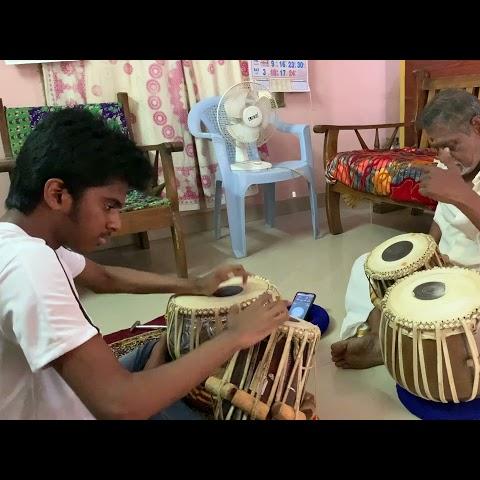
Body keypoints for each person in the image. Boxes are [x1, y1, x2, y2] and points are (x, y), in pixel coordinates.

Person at [0, 108, 289, 419]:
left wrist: (195, 284)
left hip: (71, 393)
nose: (115, 223)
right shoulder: (29, 265)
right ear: (58, 194)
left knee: (163, 351)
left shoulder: (24, 242)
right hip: (89, 407)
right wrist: (234, 336)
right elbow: (120, 405)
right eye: (108, 206)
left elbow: (105, 277)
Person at [331, 89, 480, 389]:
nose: (444, 157)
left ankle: (389, 344)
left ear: (479, 127)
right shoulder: (449, 162)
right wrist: (419, 267)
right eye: (437, 148)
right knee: (366, 265)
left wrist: (461, 194)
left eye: (451, 145)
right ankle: (384, 339)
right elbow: (441, 224)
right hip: (449, 273)